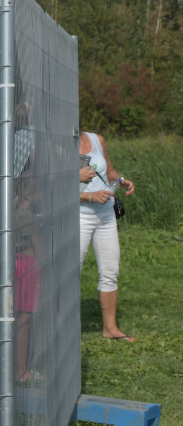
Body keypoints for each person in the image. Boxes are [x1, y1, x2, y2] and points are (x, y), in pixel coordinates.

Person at [78, 130, 136, 342]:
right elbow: (53, 184)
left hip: (105, 215)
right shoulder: (55, 143)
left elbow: (109, 171)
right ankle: (61, 328)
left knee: (111, 271)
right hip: (79, 216)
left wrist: (121, 181)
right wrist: (89, 196)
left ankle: (110, 329)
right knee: (71, 273)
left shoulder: (97, 139)